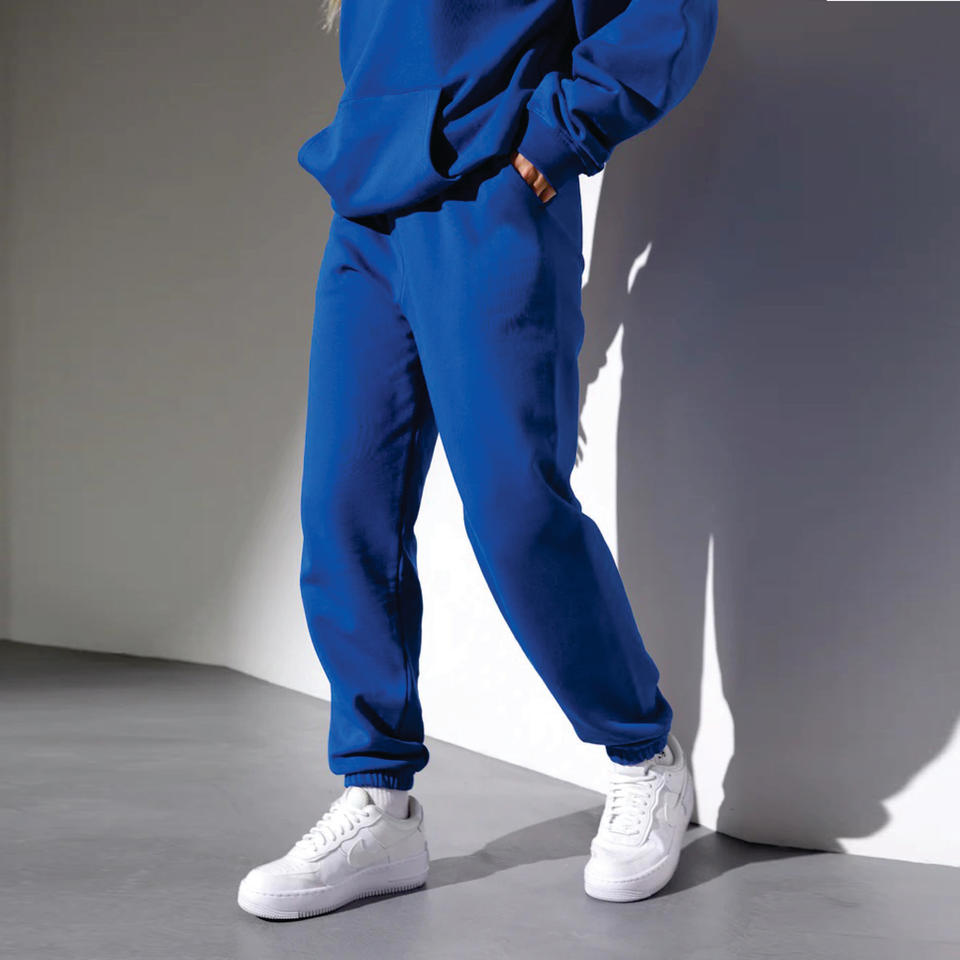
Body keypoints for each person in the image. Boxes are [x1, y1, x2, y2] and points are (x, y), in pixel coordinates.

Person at [237, 0, 717, 919]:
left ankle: (644, 754)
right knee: (345, 512)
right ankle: (378, 798)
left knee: (513, 510)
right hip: (367, 205)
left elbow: (670, 9)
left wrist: (557, 136)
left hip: (489, 187)